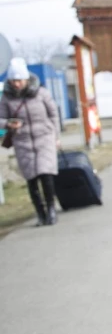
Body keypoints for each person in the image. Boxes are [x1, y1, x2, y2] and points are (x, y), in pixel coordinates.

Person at [0, 58, 60, 226]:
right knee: (31, 178)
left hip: (44, 137)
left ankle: (51, 210)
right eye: (13, 80)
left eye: (19, 80)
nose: (16, 84)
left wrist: (56, 136)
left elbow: (53, 114)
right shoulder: (6, 97)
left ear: (26, 79)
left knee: (46, 174)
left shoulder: (41, 93)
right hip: (23, 141)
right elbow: (1, 118)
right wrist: (9, 123)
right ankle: (40, 213)